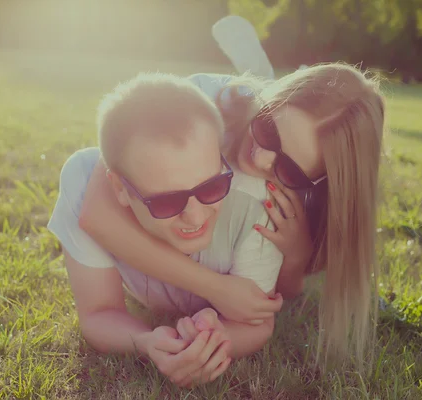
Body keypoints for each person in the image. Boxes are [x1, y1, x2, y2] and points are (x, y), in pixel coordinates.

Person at [78, 62, 386, 365]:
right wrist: (214, 287)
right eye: (267, 129)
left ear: (318, 184)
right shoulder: (201, 101)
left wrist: (295, 257)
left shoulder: (289, 203)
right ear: (268, 100)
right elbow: (95, 212)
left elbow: (279, 297)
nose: (261, 157)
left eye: (288, 169)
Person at [47, 72, 284, 387]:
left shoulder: (256, 199)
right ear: (119, 188)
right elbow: (98, 312)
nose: (195, 216)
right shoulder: (81, 182)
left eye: (211, 186)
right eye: (166, 202)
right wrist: (146, 342)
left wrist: (215, 342)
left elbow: (258, 321)